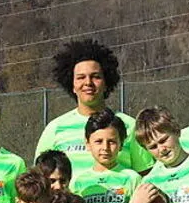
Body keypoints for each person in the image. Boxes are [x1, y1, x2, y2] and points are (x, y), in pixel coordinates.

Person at [35, 38, 153, 179]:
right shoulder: (55, 129)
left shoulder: (130, 125)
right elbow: (39, 180)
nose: (88, 83)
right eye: (80, 77)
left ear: (106, 82)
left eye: (95, 76)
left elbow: (147, 177)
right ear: (72, 85)